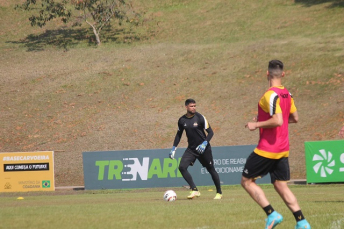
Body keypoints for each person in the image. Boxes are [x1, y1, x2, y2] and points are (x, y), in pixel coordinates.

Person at [241, 60, 311, 229]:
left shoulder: (269, 95)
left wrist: (256, 124)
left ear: (267, 74)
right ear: (283, 74)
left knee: (246, 181)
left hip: (268, 149)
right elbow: (294, 118)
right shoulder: (287, 94)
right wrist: (265, 119)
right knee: (280, 184)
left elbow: (278, 120)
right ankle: (302, 222)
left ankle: (272, 214)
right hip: (283, 149)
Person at [169, 99, 222, 200]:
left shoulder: (200, 117)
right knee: (182, 167)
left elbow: (210, 133)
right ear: (186, 107)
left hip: (204, 149)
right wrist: (173, 148)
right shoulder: (182, 120)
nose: (194, 108)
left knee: (211, 170)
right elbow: (179, 134)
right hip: (192, 149)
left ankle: (219, 192)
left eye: (195, 106)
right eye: (191, 106)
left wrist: (204, 143)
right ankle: (195, 190)